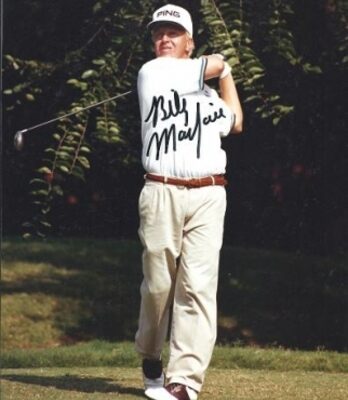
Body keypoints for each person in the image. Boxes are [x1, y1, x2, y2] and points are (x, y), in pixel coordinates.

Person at [135, 4, 243, 400]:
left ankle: (184, 382)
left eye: (173, 33)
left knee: (198, 287)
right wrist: (223, 65)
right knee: (158, 287)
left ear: (188, 42)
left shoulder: (207, 92)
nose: (164, 38)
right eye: (159, 32)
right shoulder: (153, 72)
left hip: (209, 193)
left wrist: (227, 74)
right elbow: (215, 63)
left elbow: (235, 120)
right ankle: (150, 354)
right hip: (162, 190)